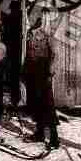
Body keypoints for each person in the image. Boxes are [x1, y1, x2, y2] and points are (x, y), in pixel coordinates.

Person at [23, 9, 59, 149]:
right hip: (31, 71)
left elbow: (54, 54)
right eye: (29, 16)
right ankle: (39, 132)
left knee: (48, 104)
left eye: (34, 17)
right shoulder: (28, 34)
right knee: (35, 102)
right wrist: (24, 71)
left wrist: (50, 73)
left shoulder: (47, 34)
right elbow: (28, 54)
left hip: (43, 71)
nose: (31, 19)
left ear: (39, 19)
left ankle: (54, 138)